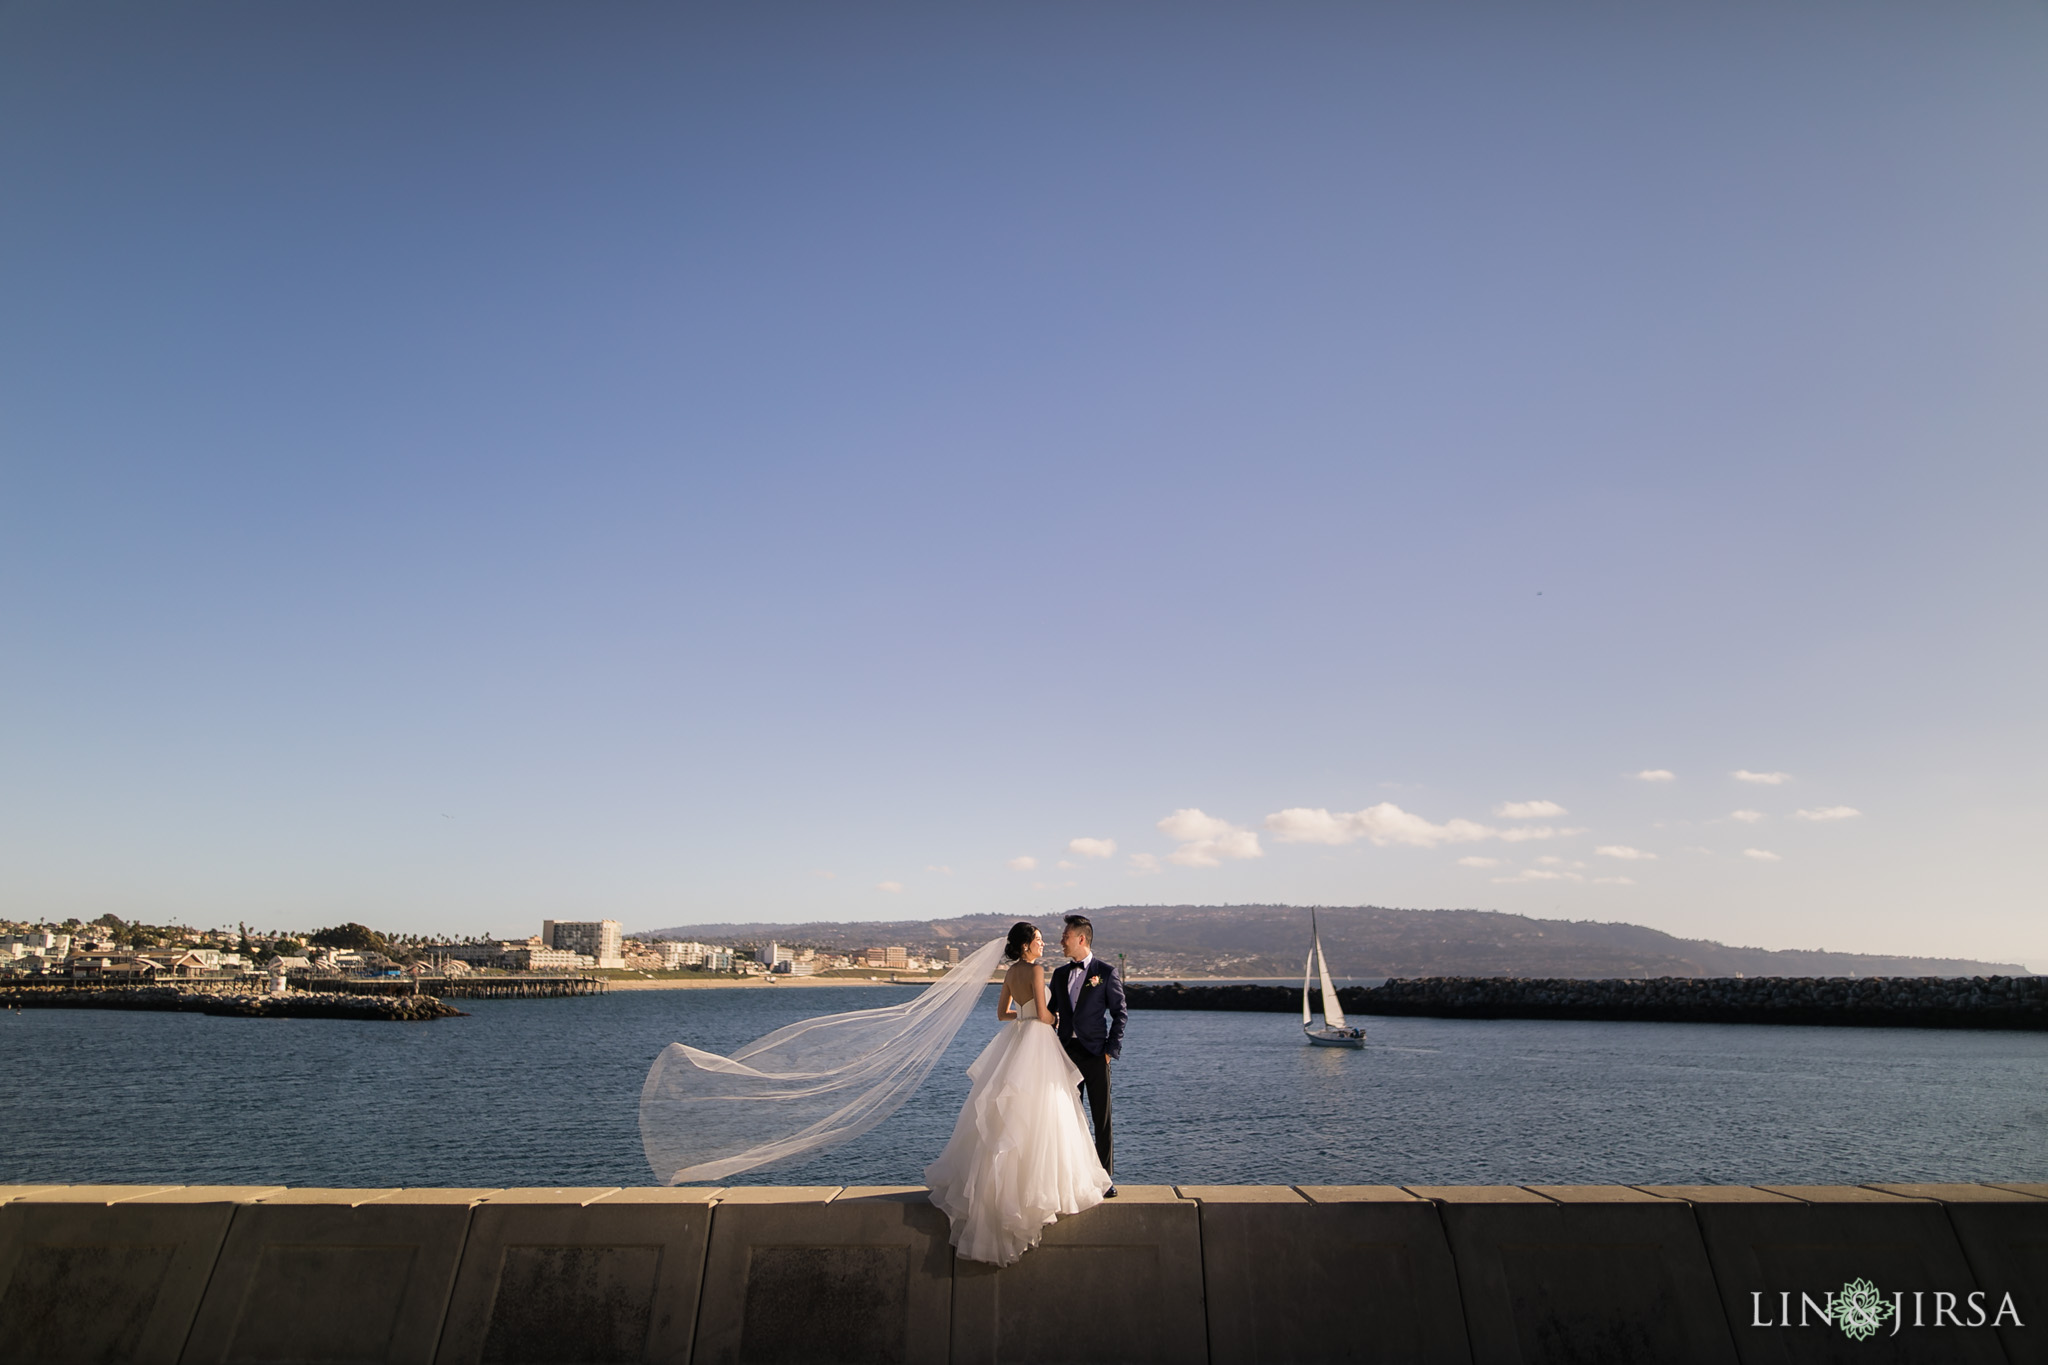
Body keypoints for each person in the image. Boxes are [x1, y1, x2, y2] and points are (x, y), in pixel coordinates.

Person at [924, 922, 1112, 1265]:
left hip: (1016, 1037)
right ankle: (1042, 1192)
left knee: (1008, 1113)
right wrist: (1052, 1020)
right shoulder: (1038, 970)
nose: (1044, 945)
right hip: (1038, 1041)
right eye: (1039, 940)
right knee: (1046, 1112)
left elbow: (1001, 1014)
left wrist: (1022, 1016)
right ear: (1026, 945)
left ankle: (998, 1193)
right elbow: (1043, 1013)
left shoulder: (1010, 972)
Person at [1046, 913, 1125, 1191]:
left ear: (1080, 938)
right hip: (1067, 1053)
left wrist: (1109, 1051)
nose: (1061, 942)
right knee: (1070, 1118)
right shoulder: (1059, 974)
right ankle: (1074, 1179)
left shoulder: (1106, 972)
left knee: (1101, 1118)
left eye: (1065, 937)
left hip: (1095, 1054)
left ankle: (1104, 1181)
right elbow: (1051, 1012)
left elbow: (1119, 1014)